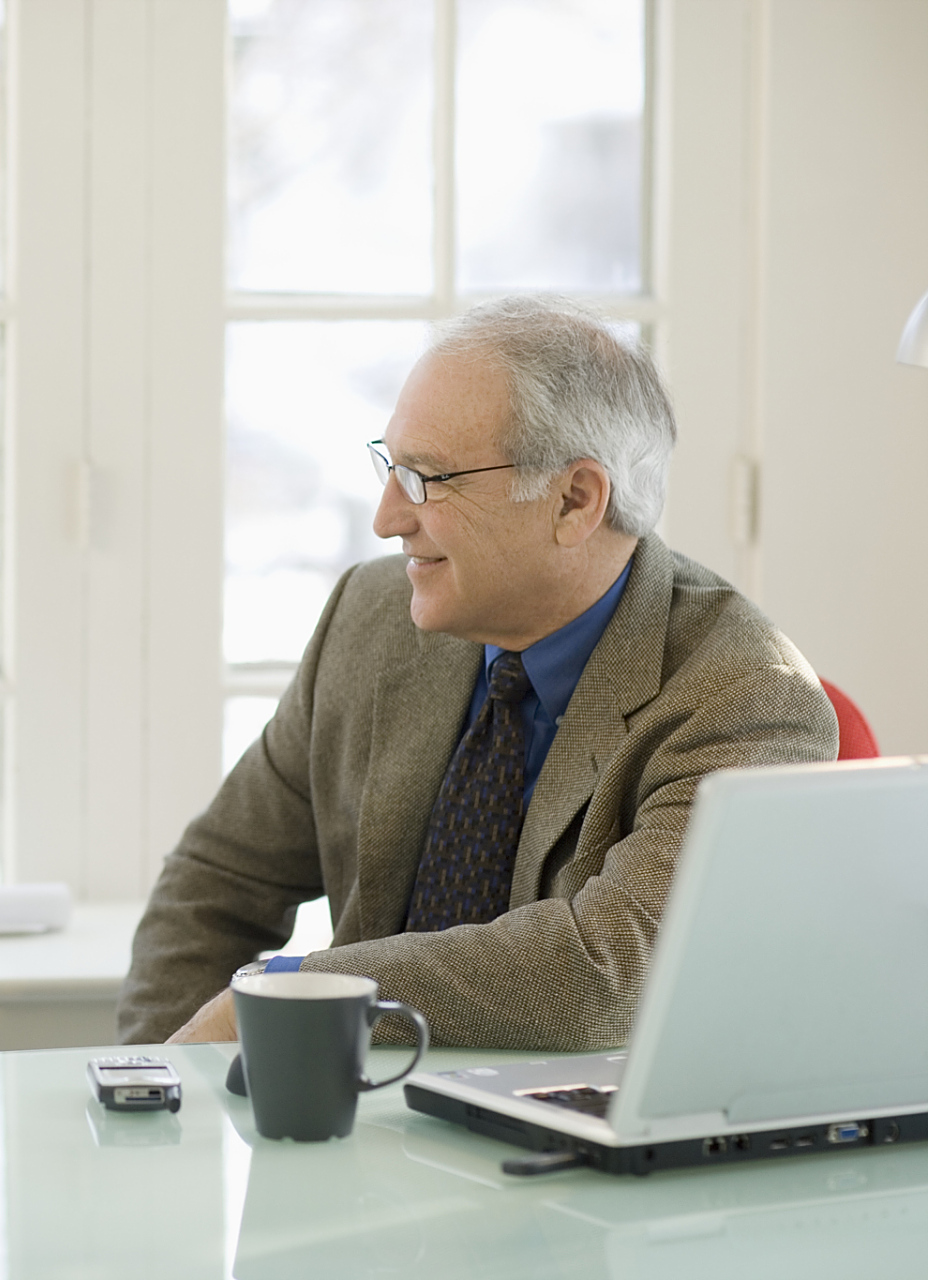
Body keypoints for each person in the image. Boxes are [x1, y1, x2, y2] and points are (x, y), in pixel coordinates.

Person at [118, 296, 836, 1051]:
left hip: (574, 1122)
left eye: (428, 478)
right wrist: (159, 1086)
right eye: (391, 467)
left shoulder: (750, 696)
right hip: (362, 1112)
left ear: (575, 500)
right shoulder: (370, 616)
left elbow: (607, 974)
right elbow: (219, 881)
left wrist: (302, 996)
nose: (387, 518)